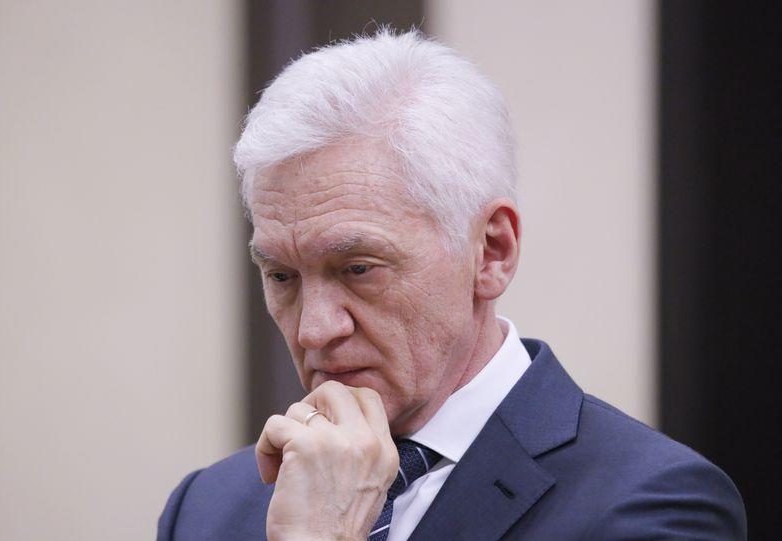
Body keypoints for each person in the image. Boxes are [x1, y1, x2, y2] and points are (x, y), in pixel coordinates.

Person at [157, 30, 746, 540]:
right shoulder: (208, 509)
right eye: (282, 276)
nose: (314, 329)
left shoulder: (652, 504)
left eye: (358, 268)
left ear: (491, 252)